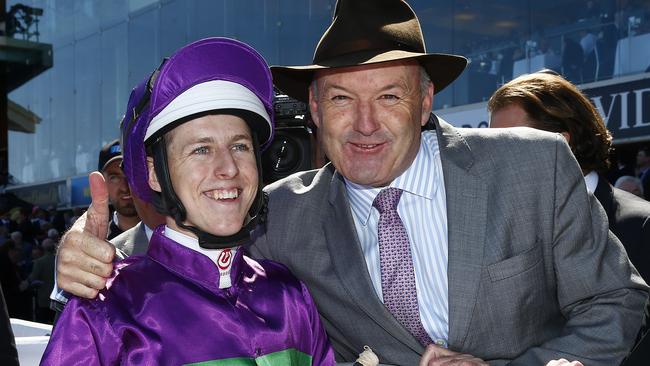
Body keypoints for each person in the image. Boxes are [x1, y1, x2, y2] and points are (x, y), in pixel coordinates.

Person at [55, 0, 647, 364]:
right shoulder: (284, 212)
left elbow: (616, 299)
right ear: (313, 109)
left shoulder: (534, 168)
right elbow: (190, 231)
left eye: (389, 96)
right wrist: (81, 252)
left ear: (424, 102)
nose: (364, 124)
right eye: (341, 98)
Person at [41, 37, 334, 365]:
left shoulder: (290, 294)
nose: (228, 169)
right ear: (155, 174)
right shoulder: (105, 307)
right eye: (201, 149)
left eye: (240, 146)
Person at [487, 71, 650, 283]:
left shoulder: (641, 227)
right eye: (491, 147)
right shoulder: (499, 231)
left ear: (561, 145)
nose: (494, 160)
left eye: (509, 144)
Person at [98, 139, 140, 239]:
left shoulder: (171, 235)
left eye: (131, 175)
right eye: (114, 178)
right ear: (103, 183)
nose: (125, 188)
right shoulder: (97, 243)